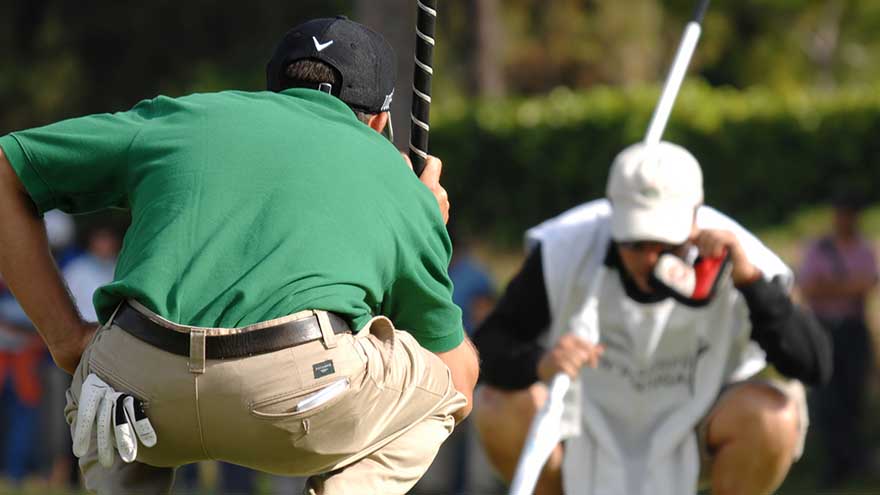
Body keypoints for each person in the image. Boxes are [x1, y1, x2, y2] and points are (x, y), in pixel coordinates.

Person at [0, 15, 478, 495]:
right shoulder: (396, 179)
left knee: (111, 387)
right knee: (441, 388)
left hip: (135, 393)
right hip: (296, 399)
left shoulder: (186, 116)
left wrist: (64, 337)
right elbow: (457, 372)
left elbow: (6, 167)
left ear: (274, 91)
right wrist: (424, 217)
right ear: (378, 120)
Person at [472, 141, 832, 495]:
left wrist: (752, 285)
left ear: (695, 216)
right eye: (635, 242)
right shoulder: (565, 249)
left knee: (773, 417)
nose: (649, 259)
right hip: (583, 429)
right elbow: (487, 348)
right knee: (497, 404)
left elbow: (814, 365)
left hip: (692, 432)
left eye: (666, 243)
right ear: (614, 215)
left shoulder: (742, 260)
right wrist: (540, 363)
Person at [799, 189, 878, 487]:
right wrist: (848, 287)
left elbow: (867, 284)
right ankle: (835, 463)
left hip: (854, 330)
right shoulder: (819, 249)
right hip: (826, 330)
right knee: (827, 398)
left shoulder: (864, 249)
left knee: (853, 396)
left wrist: (831, 286)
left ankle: (854, 459)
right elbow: (810, 289)